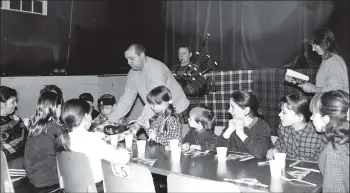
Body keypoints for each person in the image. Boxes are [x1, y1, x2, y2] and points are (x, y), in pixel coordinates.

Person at [55, 99, 130, 193]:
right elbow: (121, 159)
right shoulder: (91, 139)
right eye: (90, 114)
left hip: (72, 188)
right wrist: (122, 149)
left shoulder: (63, 138)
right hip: (96, 188)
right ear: (86, 116)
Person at [108, 44, 190, 125]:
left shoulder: (156, 70)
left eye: (131, 59)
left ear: (142, 55)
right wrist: (111, 120)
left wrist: (138, 125)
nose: (128, 62)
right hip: (157, 110)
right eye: (127, 59)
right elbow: (126, 99)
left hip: (178, 109)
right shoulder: (132, 73)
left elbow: (156, 100)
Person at [266, 92, 326, 161]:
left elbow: (320, 162)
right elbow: (279, 145)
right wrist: (273, 150)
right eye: (281, 111)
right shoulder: (283, 128)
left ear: (299, 118)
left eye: (284, 112)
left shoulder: (318, 135)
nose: (279, 114)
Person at [309, 90, 349, 192]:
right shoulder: (344, 141)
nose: (311, 118)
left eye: (313, 114)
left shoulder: (334, 152)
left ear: (326, 119)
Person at [24, 91, 63, 192]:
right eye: (60, 108)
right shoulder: (54, 128)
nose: (61, 110)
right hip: (48, 181)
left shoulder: (35, 125)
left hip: (33, 178)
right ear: (54, 109)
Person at [215, 90, 272, 159]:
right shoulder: (232, 125)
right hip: (234, 168)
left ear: (246, 111)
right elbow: (217, 150)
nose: (229, 110)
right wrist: (228, 132)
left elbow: (260, 153)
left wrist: (241, 134)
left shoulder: (262, 126)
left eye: (232, 107)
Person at [299, 27, 349, 94]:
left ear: (323, 44)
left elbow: (336, 90)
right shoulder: (327, 59)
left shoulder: (333, 62)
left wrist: (313, 89)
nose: (313, 49)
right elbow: (328, 86)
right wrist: (312, 87)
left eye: (314, 45)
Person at [0, 86, 28, 169]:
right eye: (13, 102)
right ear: (1, 104)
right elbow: (6, 153)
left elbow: (26, 138)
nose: (16, 105)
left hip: (21, 159)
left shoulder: (15, 119)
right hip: (8, 165)